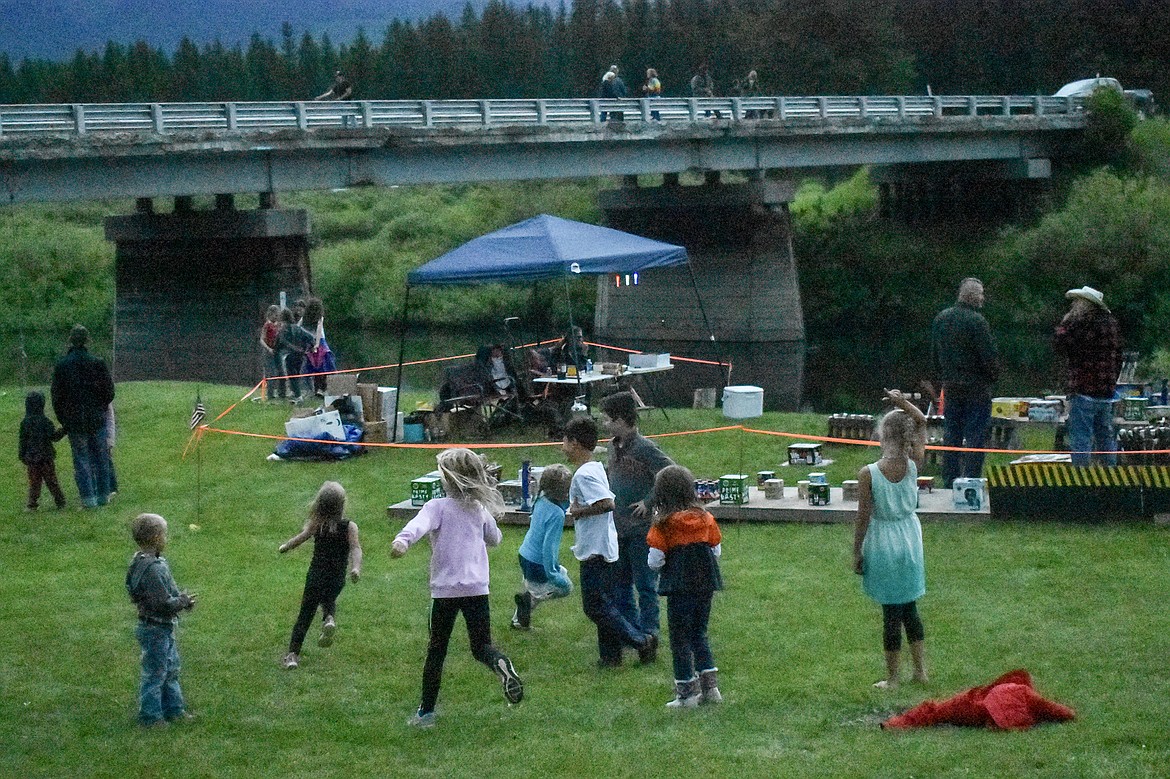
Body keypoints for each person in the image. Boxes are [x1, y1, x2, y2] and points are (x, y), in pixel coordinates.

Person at [392, 448, 524, 727]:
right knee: (482, 646)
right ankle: (501, 664)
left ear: (447, 479)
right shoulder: (479, 509)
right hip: (477, 589)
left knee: (436, 651)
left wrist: (403, 541)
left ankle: (425, 713)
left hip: (445, 592)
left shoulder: (436, 507)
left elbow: (419, 525)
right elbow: (495, 539)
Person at [562, 417, 657, 667]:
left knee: (594, 606)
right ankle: (610, 656)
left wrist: (578, 511)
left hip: (595, 548)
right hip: (603, 544)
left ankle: (641, 640)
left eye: (565, 440)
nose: (562, 445)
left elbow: (607, 503)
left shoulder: (583, 474)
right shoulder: (594, 467)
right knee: (605, 603)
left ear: (574, 443)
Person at [852, 389, 929, 690]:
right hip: (910, 538)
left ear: (882, 436)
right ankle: (921, 671)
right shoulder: (913, 465)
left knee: (890, 612)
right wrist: (902, 403)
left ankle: (894, 677)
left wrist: (857, 551)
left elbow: (863, 518)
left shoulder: (868, 473)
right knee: (910, 607)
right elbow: (922, 420)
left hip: (883, 541)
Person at [647, 464, 723, 708]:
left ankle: (686, 694)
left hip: (679, 588)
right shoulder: (707, 519)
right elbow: (716, 551)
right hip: (705, 584)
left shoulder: (664, 525)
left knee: (680, 639)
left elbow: (655, 561)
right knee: (699, 633)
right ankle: (711, 689)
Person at [602, 391, 674, 639]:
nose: (605, 424)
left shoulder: (645, 447)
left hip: (641, 528)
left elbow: (671, 471)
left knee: (645, 584)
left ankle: (650, 630)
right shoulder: (612, 447)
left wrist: (649, 500)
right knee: (620, 584)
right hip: (617, 526)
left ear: (621, 420)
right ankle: (630, 631)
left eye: (608, 419)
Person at [279, 481, 363, 670]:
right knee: (329, 596)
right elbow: (356, 548)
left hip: (316, 576)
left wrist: (286, 546)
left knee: (305, 614)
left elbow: (301, 538)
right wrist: (355, 568)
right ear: (342, 504)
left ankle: (292, 655)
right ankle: (329, 618)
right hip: (337, 577)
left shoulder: (317, 524)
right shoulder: (350, 527)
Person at [125, 513, 197, 727]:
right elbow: (163, 603)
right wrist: (181, 602)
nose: (167, 538)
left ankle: (174, 709)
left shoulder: (151, 562)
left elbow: (170, 590)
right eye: (165, 534)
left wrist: (182, 599)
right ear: (156, 538)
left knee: (171, 668)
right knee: (156, 674)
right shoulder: (152, 569)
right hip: (155, 628)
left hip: (161, 627)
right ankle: (151, 716)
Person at [930, 278, 1000, 487]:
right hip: (976, 388)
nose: (983, 298)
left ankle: (950, 480)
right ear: (971, 296)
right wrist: (993, 376)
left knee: (951, 435)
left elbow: (935, 354)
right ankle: (970, 481)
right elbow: (988, 356)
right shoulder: (977, 321)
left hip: (951, 386)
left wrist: (943, 376)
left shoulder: (941, 318)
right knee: (975, 437)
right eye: (980, 294)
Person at [1054, 286, 1122, 466]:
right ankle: (1111, 476)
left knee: (1081, 438)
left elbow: (1061, 345)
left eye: (1077, 301)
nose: (1074, 305)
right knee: (1105, 437)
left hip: (1084, 389)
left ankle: (1082, 479)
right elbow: (1118, 356)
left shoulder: (1080, 324)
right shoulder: (1111, 323)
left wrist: (1064, 324)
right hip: (1106, 391)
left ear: (1086, 304)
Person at [51, 324, 115, 508]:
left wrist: (65, 420)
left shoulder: (62, 366)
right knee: (100, 458)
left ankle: (88, 499)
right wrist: (100, 407)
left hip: (74, 421)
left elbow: (57, 397)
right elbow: (109, 392)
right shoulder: (97, 363)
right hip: (96, 418)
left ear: (70, 341)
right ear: (87, 341)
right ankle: (103, 495)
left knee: (81, 460)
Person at [512, 464, 574, 630]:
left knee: (561, 573)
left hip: (525, 554)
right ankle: (530, 598)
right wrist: (552, 573)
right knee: (566, 586)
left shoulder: (541, 500)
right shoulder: (557, 514)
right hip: (538, 562)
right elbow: (549, 547)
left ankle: (518, 621)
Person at [19, 390, 67, 512]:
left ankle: (32, 503)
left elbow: (23, 441)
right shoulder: (45, 422)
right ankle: (60, 501)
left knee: (34, 482)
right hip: (46, 457)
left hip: (31, 458)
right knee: (51, 480)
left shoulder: (25, 423)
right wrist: (64, 429)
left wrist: (22, 455)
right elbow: (54, 437)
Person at [276, 307, 314, 403]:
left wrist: (276, 349)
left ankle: (298, 396)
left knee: (292, 375)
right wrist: (308, 349)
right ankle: (295, 392)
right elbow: (310, 337)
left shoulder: (284, 329)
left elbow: (281, 342)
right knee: (296, 374)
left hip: (289, 356)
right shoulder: (298, 328)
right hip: (300, 356)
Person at [301, 297, 336, 396]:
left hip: (309, 343)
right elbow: (319, 330)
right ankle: (322, 389)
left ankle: (315, 390)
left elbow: (299, 327)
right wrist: (316, 344)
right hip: (320, 343)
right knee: (324, 367)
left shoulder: (305, 318)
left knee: (313, 367)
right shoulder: (320, 318)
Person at [260, 304, 286, 401]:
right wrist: (268, 349)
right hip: (269, 351)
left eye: (277, 315)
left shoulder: (279, 325)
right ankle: (270, 394)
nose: (276, 317)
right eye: (275, 315)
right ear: (270, 314)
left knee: (281, 372)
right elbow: (261, 340)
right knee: (271, 373)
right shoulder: (267, 325)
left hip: (277, 351)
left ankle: (282, 393)